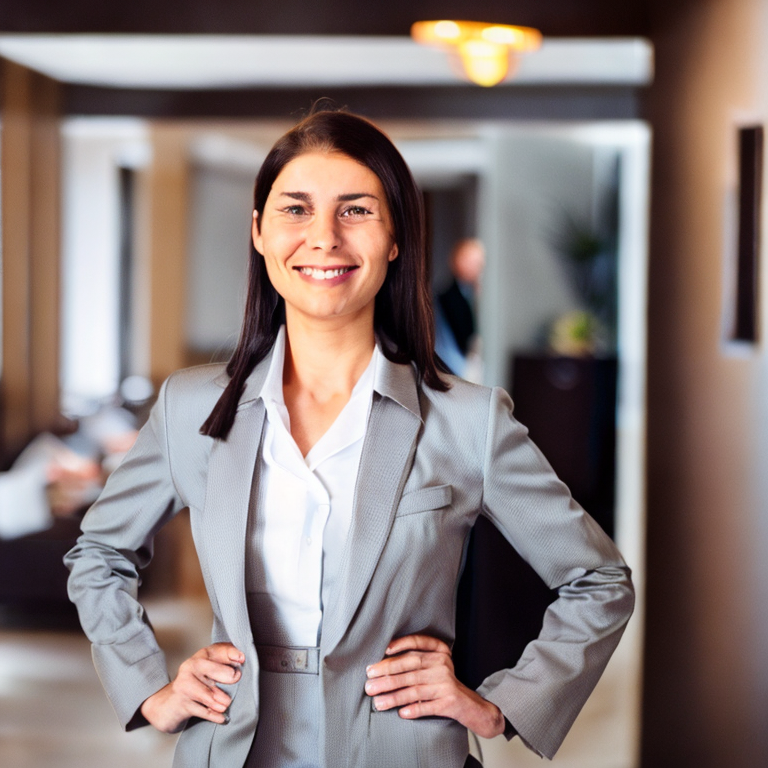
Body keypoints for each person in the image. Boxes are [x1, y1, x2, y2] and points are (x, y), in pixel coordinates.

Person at [65, 108, 634, 768]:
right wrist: (150, 691)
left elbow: (599, 581)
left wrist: (498, 704)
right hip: (228, 747)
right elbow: (99, 553)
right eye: (296, 209)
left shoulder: (467, 421)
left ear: (395, 237)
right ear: (259, 231)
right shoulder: (192, 407)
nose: (324, 237)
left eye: (356, 210)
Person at [434, 238, 485, 380]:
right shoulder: (448, 298)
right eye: (474, 262)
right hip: (455, 370)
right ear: (458, 261)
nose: (479, 267)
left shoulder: (472, 294)